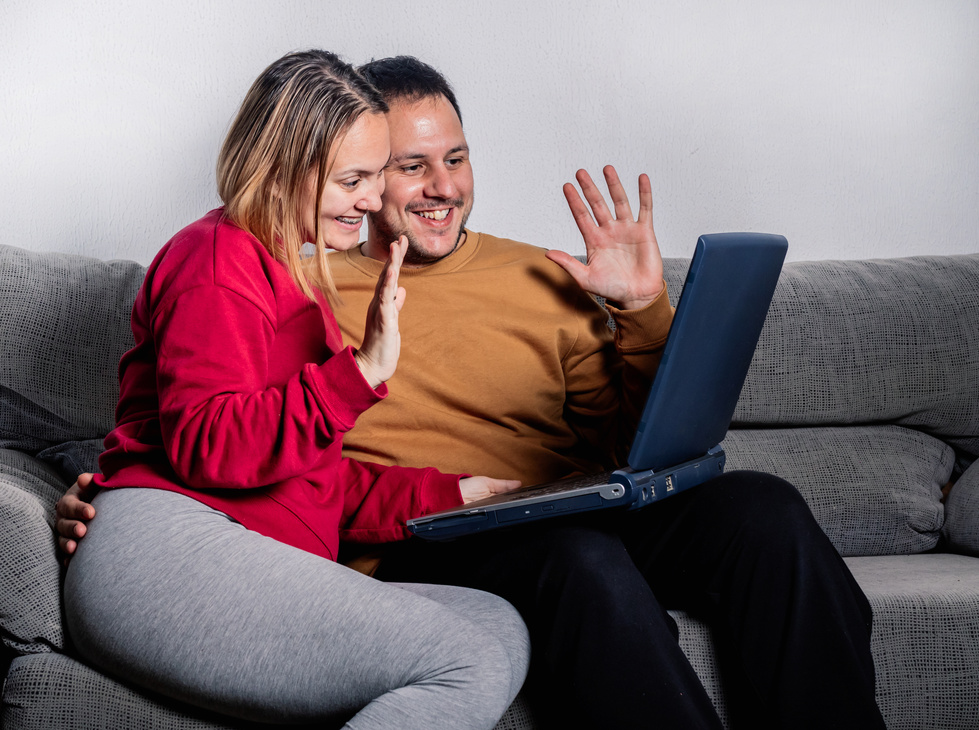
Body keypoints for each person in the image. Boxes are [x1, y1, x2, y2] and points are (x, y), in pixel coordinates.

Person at [60, 55, 886, 729]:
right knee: (578, 561)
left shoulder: (539, 272)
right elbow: (204, 424)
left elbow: (635, 438)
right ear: (360, 167)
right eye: (404, 166)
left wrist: (640, 311)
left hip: (564, 498)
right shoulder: (304, 275)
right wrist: (114, 488)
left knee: (761, 509)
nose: (440, 186)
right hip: (440, 532)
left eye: (454, 159)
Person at [60, 50, 529, 730]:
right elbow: (206, 443)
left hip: (237, 544)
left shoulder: (295, 287)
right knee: (466, 658)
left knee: (497, 625)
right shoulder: (216, 258)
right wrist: (360, 373)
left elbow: (312, 480)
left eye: (374, 176)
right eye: (353, 179)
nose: (373, 201)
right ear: (284, 170)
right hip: (168, 549)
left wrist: (450, 494)